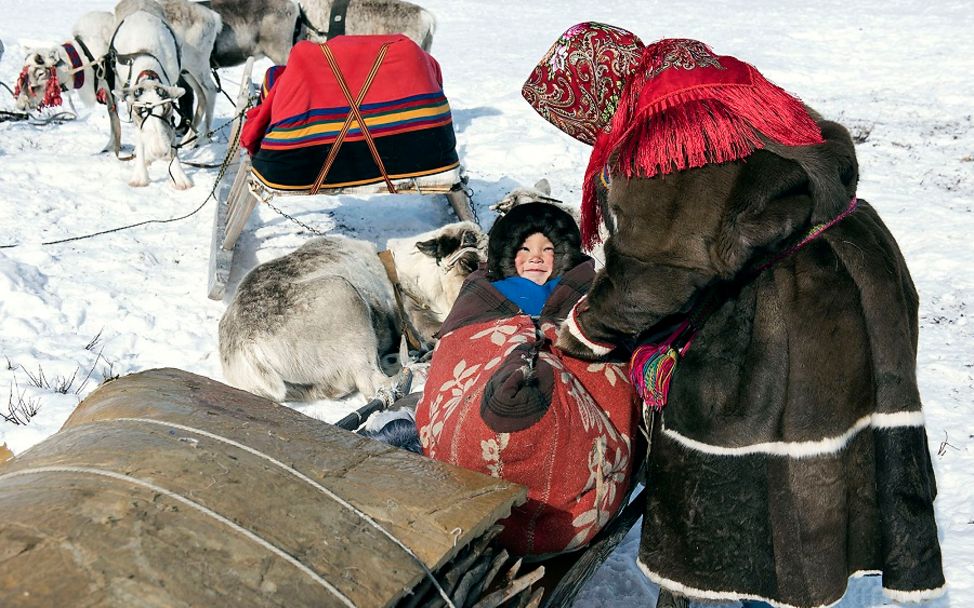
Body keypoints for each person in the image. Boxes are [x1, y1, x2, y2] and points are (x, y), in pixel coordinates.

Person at [523, 24, 945, 608]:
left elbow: (654, 276)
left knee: (770, 477)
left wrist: (583, 332)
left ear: (597, 95)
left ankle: (764, 591)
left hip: (793, 306)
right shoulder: (707, 79)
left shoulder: (663, 141)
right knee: (836, 448)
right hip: (859, 269)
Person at [414, 202, 639, 557]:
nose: (536, 258)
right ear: (509, 255)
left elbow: (608, 344)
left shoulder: (584, 289)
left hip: (565, 369)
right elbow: (457, 348)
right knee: (487, 391)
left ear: (562, 255)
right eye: (525, 249)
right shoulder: (484, 292)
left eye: (547, 250)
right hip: (493, 357)